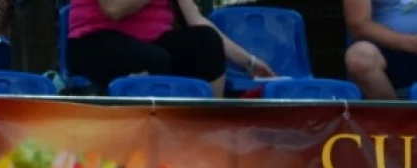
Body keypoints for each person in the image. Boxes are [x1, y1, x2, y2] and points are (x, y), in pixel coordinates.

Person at [66, 0, 274, 97]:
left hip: (151, 45)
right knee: (155, 59)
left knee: (206, 42)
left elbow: (196, 19)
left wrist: (249, 63)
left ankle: (206, 133)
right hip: (92, 42)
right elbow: (113, 8)